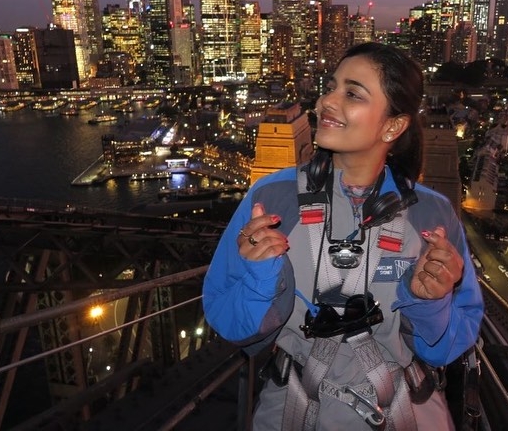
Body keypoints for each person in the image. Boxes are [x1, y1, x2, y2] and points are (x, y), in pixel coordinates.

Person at [203, 42, 484, 430]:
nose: (325, 102)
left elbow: (448, 347)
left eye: (351, 93)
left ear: (393, 125)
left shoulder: (432, 215)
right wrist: (258, 278)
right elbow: (231, 326)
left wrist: (431, 303)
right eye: (330, 86)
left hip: (405, 412)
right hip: (294, 412)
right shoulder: (270, 200)